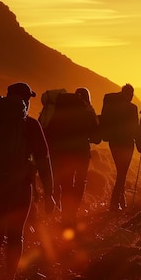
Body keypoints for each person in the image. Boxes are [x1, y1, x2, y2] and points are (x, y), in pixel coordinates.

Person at [0, 82, 55, 280]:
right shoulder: (29, 125)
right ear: (26, 100)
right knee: (15, 235)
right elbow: (43, 159)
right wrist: (50, 193)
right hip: (20, 187)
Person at [45, 87, 100, 231]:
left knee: (66, 184)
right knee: (80, 182)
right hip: (81, 153)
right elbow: (96, 138)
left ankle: (65, 216)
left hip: (63, 154)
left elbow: (50, 131)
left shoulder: (61, 110)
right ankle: (72, 215)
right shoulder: (88, 113)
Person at [100, 84, 140, 211]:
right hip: (127, 143)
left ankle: (120, 201)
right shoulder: (132, 108)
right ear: (129, 94)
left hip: (113, 142)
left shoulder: (111, 107)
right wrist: (140, 144)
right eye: (131, 94)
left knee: (120, 171)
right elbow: (135, 128)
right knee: (122, 173)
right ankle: (114, 202)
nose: (132, 97)